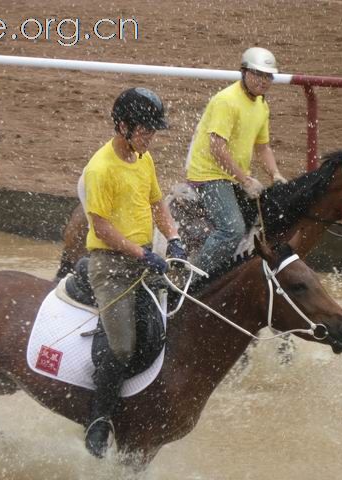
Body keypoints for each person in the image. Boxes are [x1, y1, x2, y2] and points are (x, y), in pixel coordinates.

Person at [81, 87, 187, 458]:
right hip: (111, 267)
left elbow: (157, 202)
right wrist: (142, 253)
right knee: (123, 345)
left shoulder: (144, 158)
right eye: (146, 130)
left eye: (153, 132)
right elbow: (103, 227)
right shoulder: (100, 168)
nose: (151, 138)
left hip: (144, 259)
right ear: (123, 126)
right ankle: (99, 418)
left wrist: (173, 237)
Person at [185, 47, 287, 273]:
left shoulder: (262, 105)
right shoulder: (226, 101)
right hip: (209, 175)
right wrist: (245, 180)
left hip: (232, 176)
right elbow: (216, 147)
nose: (263, 81)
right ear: (244, 72)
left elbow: (263, 146)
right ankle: (192, 278)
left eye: (268, 76)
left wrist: (275, 174)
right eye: (258, 74)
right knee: (232, 228)